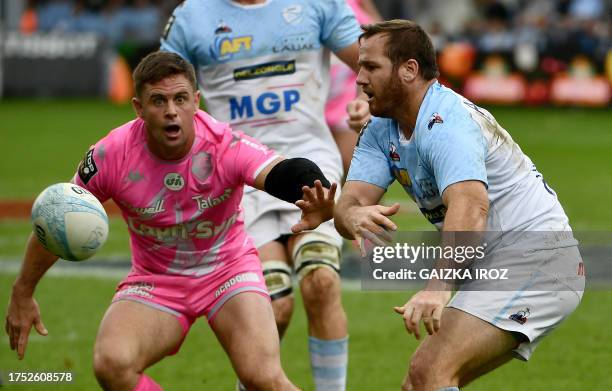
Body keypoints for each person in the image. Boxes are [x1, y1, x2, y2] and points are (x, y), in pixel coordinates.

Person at [5, 51, 338, 391]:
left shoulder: (224, 144)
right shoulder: (110, 155)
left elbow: (284, 171)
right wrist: (22, 291)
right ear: (138, 108)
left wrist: (317, 191)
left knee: (263, 378)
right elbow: (59, 218)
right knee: (112, 365)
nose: (170, 111)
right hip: (157, 281)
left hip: (228, 271)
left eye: (180, 99)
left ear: (196, 102)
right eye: (158, 101)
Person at [330, 20, 584, 390]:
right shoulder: (380, 128)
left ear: (409, 70)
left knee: (428, 373)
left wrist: (438, 286)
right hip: (501, 262)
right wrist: (349, 214)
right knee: (424, 381)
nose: (359, 79)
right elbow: (350, 202)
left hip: (537, 259)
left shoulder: (446, 121)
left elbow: (470, 207)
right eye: (359, 68)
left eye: (371, 67)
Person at [160, 2, 369, 389]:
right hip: (236, 174)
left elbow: (372, 61)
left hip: (308, 162)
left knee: (321, 283)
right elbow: (161, 87)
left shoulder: (318, 4)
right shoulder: (193, 16)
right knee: (275, 307)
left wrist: (366, 101)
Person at [326, 0, 382, 174]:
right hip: (313, 95)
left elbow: (383, 37)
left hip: (348, 92)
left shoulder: (354, 7)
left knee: (351, 163)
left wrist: (364, 98)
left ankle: (363, 198)